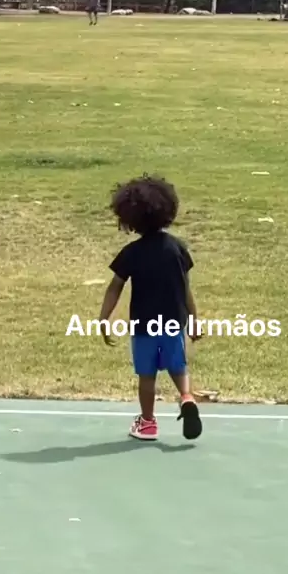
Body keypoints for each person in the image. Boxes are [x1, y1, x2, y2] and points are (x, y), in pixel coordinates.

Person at [98, 174, 203, 442]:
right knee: (178, 367)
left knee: (147, 376)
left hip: (144, 326)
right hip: (173, 323)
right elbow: (185, 288)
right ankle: (187, 398)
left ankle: (147, 423)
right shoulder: (177, 249)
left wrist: (104, 318)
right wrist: (194, 320)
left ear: (130, 218)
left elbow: (115, 287)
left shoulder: (131, 253)